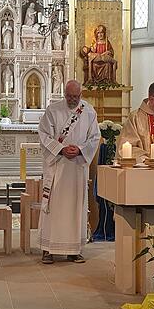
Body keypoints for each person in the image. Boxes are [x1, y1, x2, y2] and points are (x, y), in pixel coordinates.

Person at [38, 80, 101, 264]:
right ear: (64, 94)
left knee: (76, 208)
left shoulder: (88, 111)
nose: (72, 100)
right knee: (53, 208)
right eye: (69, 96)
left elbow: (95, 136)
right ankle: (48, 249)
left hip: (77, 167)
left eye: (76, 96)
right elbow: (43, 134)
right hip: (58, 166)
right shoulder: (53, 110)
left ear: (81, 95)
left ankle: (73, 249)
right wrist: (60, 148)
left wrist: (80, 149)